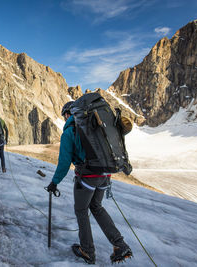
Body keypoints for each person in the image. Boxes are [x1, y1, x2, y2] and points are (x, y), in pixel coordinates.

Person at [46, 101, 132, 264]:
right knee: (97, 207)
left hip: (86, 178)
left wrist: (54, 182)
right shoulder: (94, 128)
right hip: (104, 175)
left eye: (64, 115)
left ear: (68, 114)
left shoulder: (70, 131)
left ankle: (87, 251)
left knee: (81, 210)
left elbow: (64, 163)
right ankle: (120, 244)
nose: (64, 119)